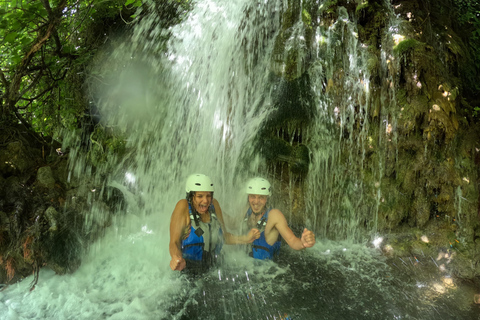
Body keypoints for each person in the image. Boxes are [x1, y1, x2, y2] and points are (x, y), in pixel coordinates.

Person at [169, 173, 260, 271]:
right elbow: (174, 242)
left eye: (208, 196)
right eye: (200, 196)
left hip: (215, 269)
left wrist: (246, 238)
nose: (205, 201)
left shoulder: (214, 205)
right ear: (191, 196)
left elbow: (224, 237)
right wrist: (176, 257)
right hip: (189, 270)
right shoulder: (183, 206)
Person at [243, 177, 316, 260]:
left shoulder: (274, 215)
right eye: (253, 196)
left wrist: (303, 243)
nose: (256, 201)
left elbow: (292, 241)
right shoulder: (246, 210)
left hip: (267, 270)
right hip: (247, 267)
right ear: (248, 197)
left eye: (261, 197)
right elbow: (231, 225)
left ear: (267, 198)